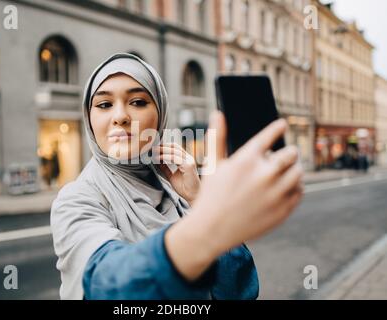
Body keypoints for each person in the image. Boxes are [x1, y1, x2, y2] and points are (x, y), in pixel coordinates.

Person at [50, 53, 304, 300]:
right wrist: (208, 221)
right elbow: (107, 284)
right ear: (89, 118)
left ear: (159, 115)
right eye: (104, 104)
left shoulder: (176, 183)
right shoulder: (76, 199)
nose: (120, 117)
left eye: (138, 102)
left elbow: (240, 290)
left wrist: (197, 198)